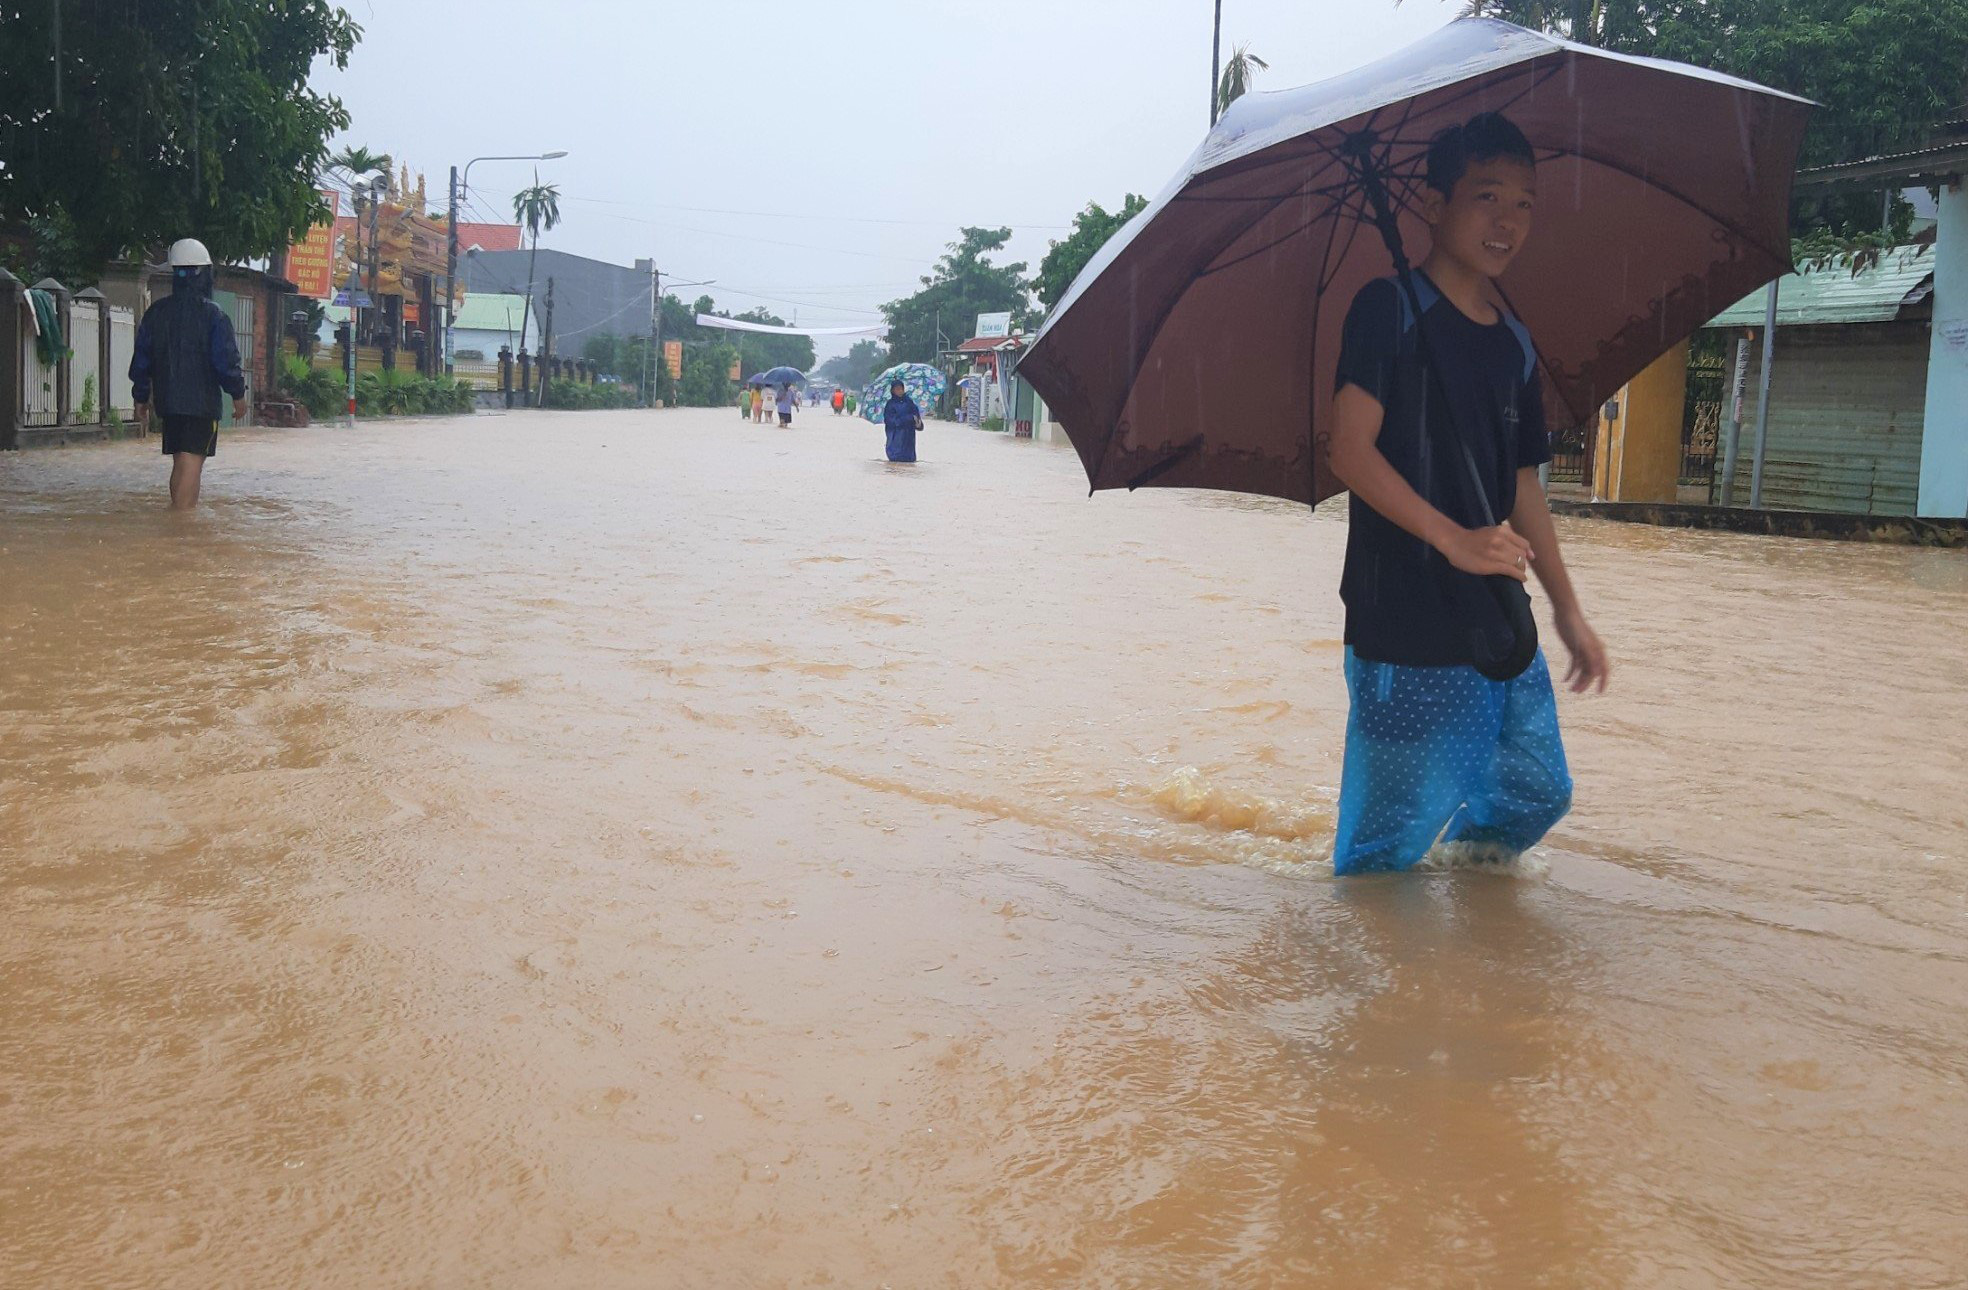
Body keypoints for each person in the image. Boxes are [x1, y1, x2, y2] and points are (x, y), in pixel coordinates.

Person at [1324, 111, 1610, 876]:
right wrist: (1452, 538)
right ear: (1432, 202)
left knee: (1535, 791)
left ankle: (1466, 920)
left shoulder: (1512, 340)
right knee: (1382, 852)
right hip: (1402, 618)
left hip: (1493, 610)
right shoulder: (1386, 310)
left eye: (1524, 203)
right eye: (1487, 197)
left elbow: (1521, 486)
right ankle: (1385, 974)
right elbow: (1349, 450)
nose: (1508, 222)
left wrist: (1568, 607)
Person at [130, 238, 247, 509]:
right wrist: (238, 394)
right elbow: (225, 360)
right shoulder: (214, 315)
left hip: (168, 402)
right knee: (192, 461)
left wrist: (140, 396)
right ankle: (181, 525)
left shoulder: (156, 313)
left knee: (180, 461)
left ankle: (178, 520)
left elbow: (142, 360)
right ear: (205, 273)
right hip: (201, 404)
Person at [880, 379, 922, 462]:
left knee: (909, 465)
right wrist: (907, 418)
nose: (899, 391)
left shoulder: (909, 402)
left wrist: (918, 423)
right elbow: (890, 421)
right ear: (892, 390)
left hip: (909, 441)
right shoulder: (890, 404)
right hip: (895, 440)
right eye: (897, 389)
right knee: (895, 463)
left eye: (901, 389)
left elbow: (917, 419)